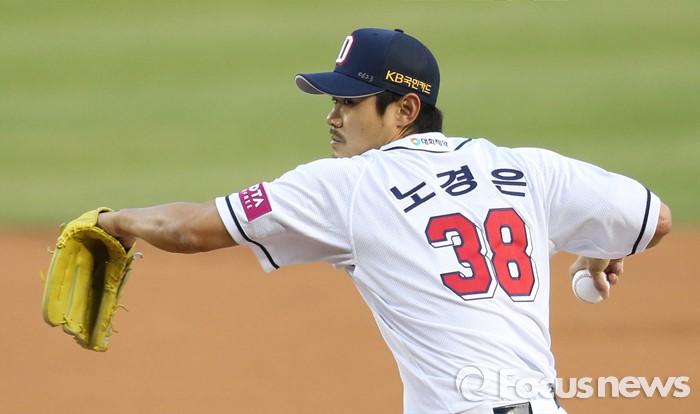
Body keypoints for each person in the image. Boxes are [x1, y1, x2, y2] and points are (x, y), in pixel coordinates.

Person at [97, 28, 672, 414]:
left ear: (404, 110)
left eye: (349, 102)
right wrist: (598, 246)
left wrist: (115, 220)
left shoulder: (350, 185)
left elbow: (191, 229)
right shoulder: (527, 168)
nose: (333, 117)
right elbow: (656, 219)